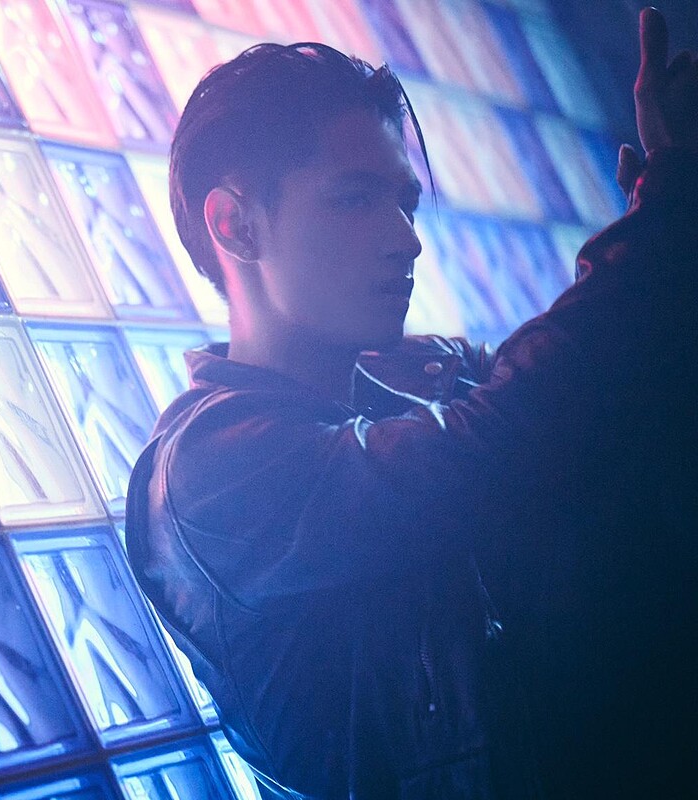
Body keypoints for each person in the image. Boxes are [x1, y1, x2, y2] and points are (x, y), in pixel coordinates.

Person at [123, 8, 698, 799]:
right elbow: (489, 454)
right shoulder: (207, 468)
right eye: (354, 199)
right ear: (236, 225)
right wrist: (667, 216)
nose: (407, 238)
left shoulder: (433, 376)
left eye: (406, 203)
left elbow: (589, 420)